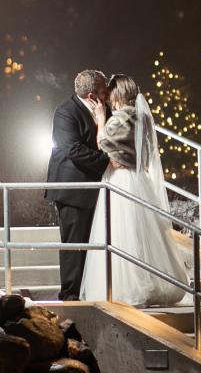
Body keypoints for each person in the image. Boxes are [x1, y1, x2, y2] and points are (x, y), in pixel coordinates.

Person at [80, 74, 189, 306]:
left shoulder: (122, 118)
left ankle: (127, 285)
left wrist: (100, 119)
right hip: (138, 179)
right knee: (141, 232)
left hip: (121, 179)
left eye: (110, 94)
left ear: (118, 94)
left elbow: (103, 143)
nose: (107, 99)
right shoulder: (141, 117)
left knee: (122, 231)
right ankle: (151, 278)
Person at [44, 69, 112, 300]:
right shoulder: (65, 112)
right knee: (74, 242)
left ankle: (91, 289)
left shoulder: (105, 110)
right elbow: (73, 149)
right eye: (104, 90)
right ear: (93, 95)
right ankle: (70, 293)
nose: (108, 94)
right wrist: (108, 162)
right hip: (72, 188)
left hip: (96, 188)